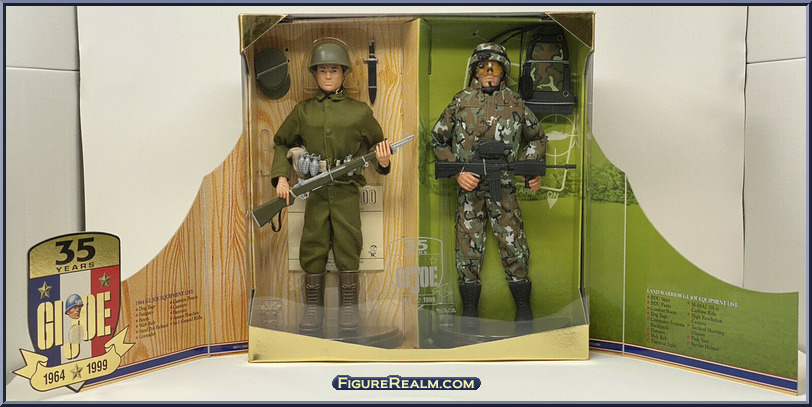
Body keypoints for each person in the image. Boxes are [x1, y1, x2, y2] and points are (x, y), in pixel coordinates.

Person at [271, 41, 391, 335]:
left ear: (344, 73)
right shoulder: (303, 112)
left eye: (334, 70)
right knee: (312, 242)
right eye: (322, 70)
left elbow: (378, 145)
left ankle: (349, 308)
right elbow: (281, 142)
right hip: (315, 190)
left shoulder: (359, 112)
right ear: (314, 73)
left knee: (349, 243)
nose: (327, 76)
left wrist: (383, 161)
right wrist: (281, 178)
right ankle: (313, 308)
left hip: (347, 189)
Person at [430, 42, 547, 332]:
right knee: (467, 247)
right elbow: (437, 139)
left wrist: (529, 168)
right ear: (475, 71)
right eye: (483, 68)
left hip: (503, 185)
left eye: (495, 67)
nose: (489, 72)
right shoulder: (461, 102)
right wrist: (458, 171)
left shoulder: (515, 103)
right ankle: (469, 312)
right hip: (470, 189)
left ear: (503, 71)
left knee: (514, 243)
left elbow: (537, 137)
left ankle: (523, 308)